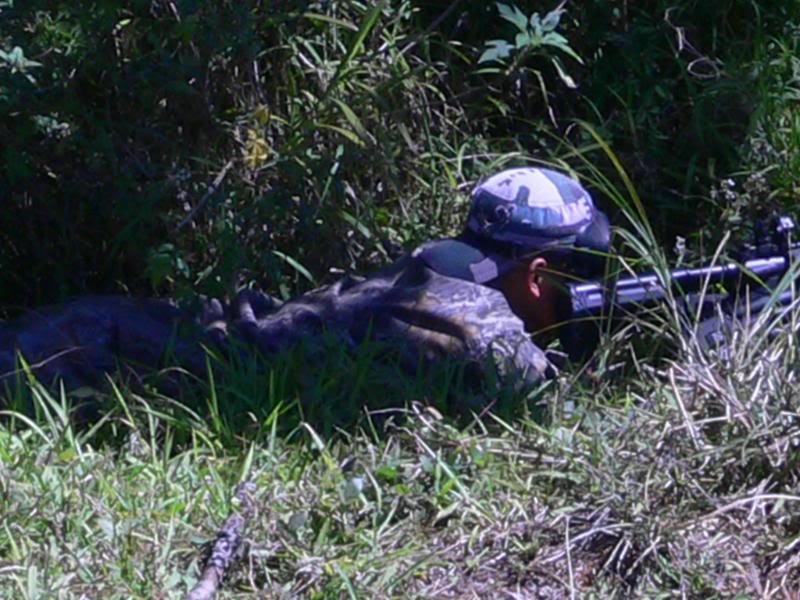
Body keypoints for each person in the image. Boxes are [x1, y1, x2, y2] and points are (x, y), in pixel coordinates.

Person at [0, 167, 610, 395]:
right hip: (98, 355)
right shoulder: (475, 327)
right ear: (535, 275)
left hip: (127, 328)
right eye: (580, 273)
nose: (587, 287)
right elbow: (544, 397)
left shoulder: (430, 271)